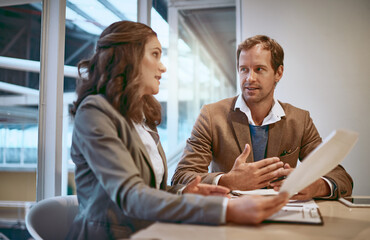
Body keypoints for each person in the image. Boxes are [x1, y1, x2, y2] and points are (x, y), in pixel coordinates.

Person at [66, 22, 288, 239]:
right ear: (128, 57)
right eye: (155, 54)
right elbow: (131, 196)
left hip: (154, 232)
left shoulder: (142, 117)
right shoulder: (94, 112)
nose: (162, 67)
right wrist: (225, 210)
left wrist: (186, 193)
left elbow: (153, 190)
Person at [172, 35, 353, 200]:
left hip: (284, 215)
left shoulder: (300, 120)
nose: (249, 78)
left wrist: (317, 186)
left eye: (259, 69)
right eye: (244, 69)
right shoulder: (211, 116)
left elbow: (341, 178)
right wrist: (227, 180)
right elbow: (181, 177)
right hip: (230, 216)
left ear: (278, 73)